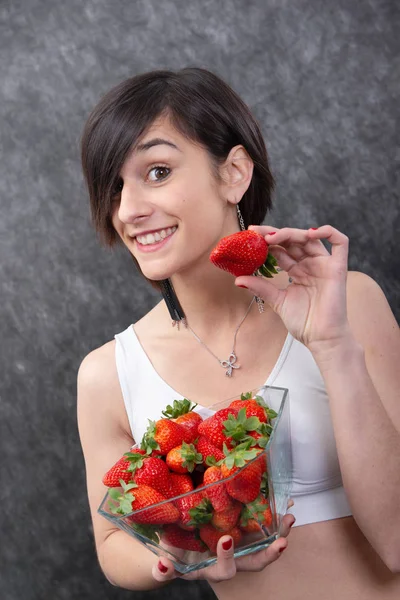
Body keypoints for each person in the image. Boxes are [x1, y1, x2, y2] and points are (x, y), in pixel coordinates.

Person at [77, 67, 400, 599]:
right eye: (113, 187)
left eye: (157, 171)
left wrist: (333, 346)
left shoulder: (349, 303)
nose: (129, 210)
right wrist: (176, 560)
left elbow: (397, 543)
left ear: (233, 174)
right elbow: (113, 543)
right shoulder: (107, 374)